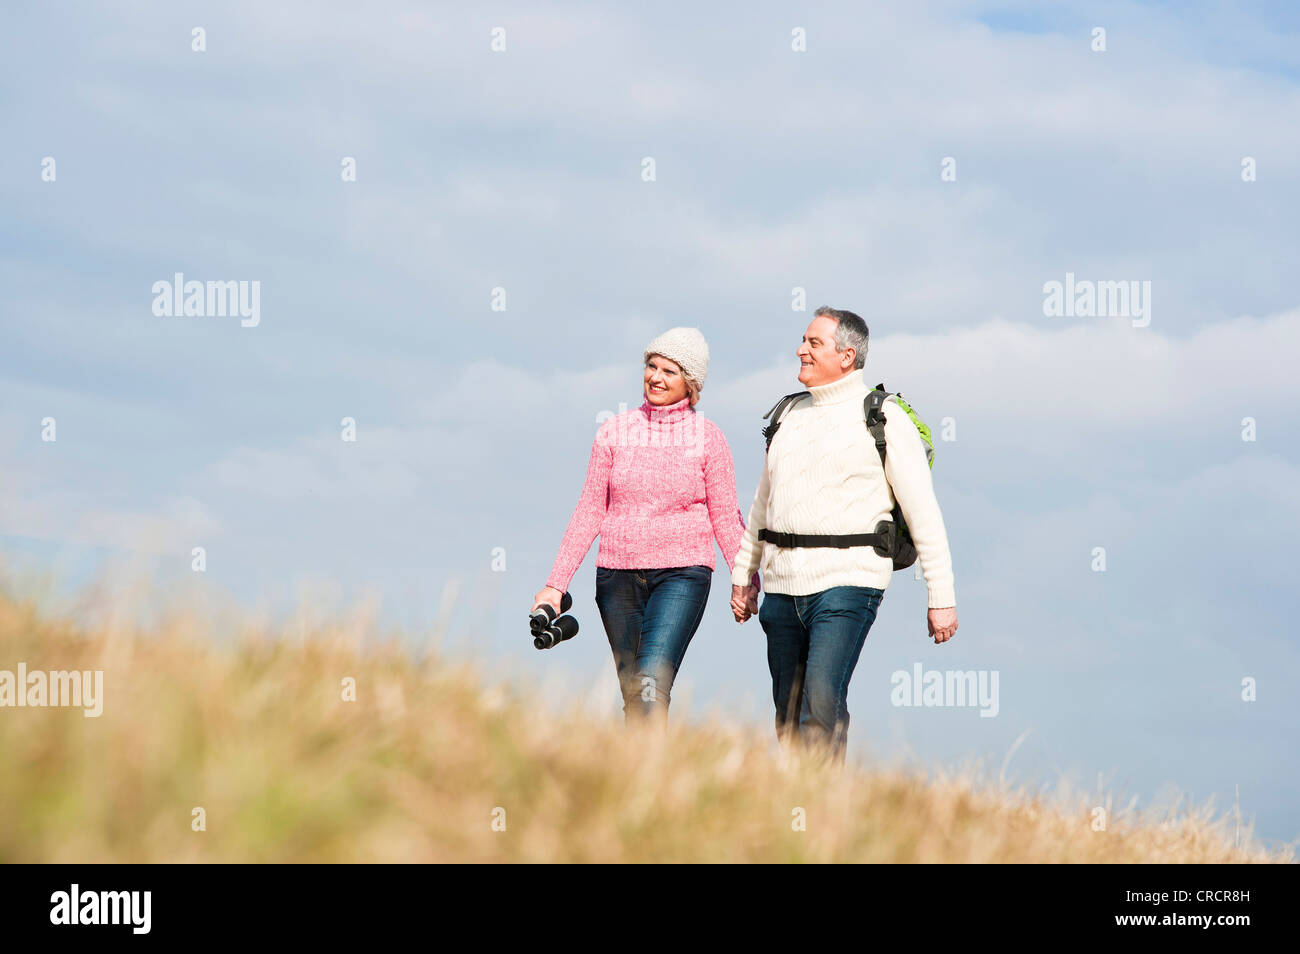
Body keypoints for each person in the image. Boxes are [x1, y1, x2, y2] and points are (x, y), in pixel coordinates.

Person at [729, 307, 958, 762]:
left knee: (820, 699)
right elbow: (762, 503)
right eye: (804, 340)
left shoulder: (884, 418)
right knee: (788, 713)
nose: (802, 350)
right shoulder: (788, 415)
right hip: (780, 587)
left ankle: (821, 810)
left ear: (847, 355)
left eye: (814, 343)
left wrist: (942, 596)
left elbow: (923, 511)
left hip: (848, 582)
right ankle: (807, 806)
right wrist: (743, 573)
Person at [533, 327, 760, 723]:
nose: (655, 377)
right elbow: (589, 509)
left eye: (669, 371)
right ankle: (642, 778)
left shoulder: (709, 439)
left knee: (652, 680)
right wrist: (556, 584)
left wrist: (745, 581)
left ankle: (652, 779)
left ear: (691, 383)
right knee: (633, 692)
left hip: (682, 575)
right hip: (616, 577)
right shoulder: (614, 431)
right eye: (651, 366)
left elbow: (726, 517)